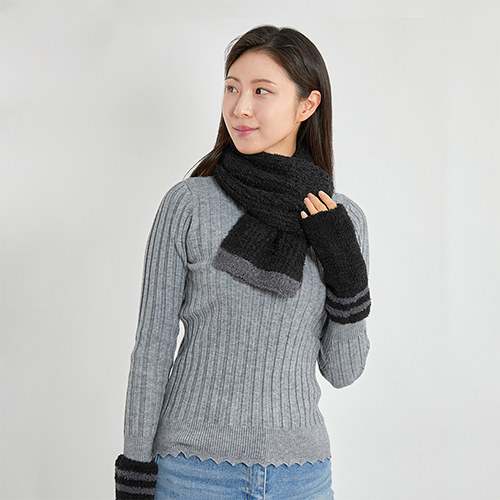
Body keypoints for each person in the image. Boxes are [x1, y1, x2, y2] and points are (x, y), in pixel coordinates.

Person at [115, 24, 371, 500]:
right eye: (232, 88)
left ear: (307, 105)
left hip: (301, 477)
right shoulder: (189, 205)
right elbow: (152, 348)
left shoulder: (341, 220)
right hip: (191, 473)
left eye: (261, 91)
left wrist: (348, 274)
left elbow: (343, 370)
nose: (240, 108)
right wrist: (134, 471)